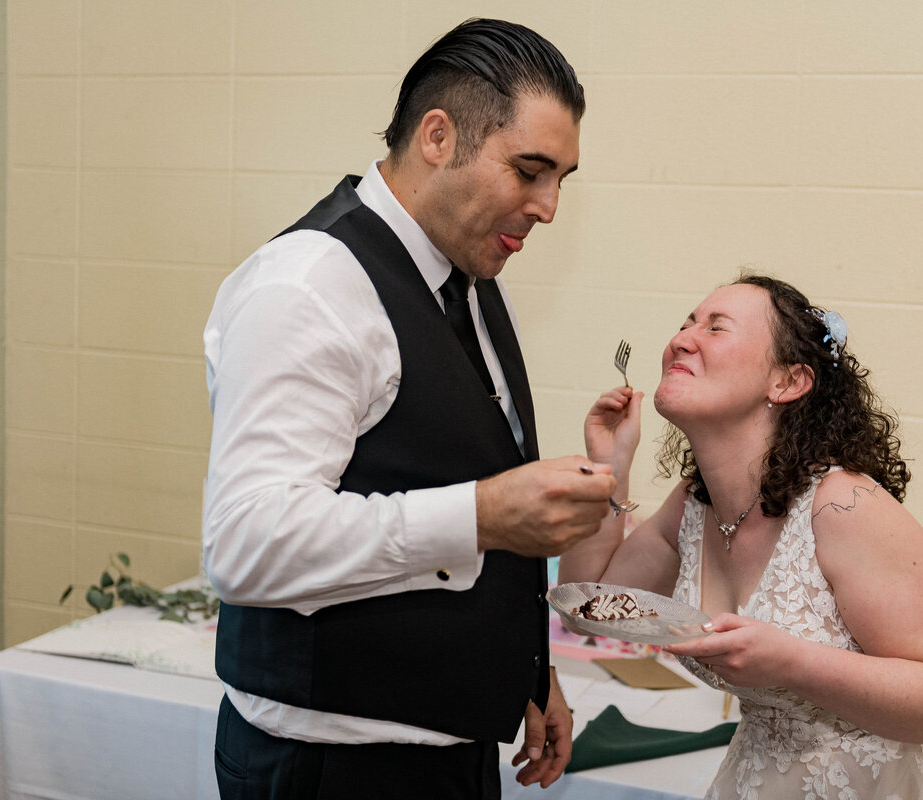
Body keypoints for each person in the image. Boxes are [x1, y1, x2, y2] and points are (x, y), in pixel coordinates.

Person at [202, 18, 616, 799]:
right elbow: (244, 544)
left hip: (449, 755)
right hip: (334, 770)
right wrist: (482, 515)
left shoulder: (472, 282)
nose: (550, 205)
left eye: (562, 177)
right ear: (437, 136)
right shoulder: (309, 289)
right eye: (530, 170)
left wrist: (528, 671)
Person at [559, 272, 923, 798]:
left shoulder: (845, 506)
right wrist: (607, 467)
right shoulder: (694, 503)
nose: (680, 340)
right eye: (685, 323)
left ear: (787, 382)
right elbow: (588, 606)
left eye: (716, 328)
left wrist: (789, 660)